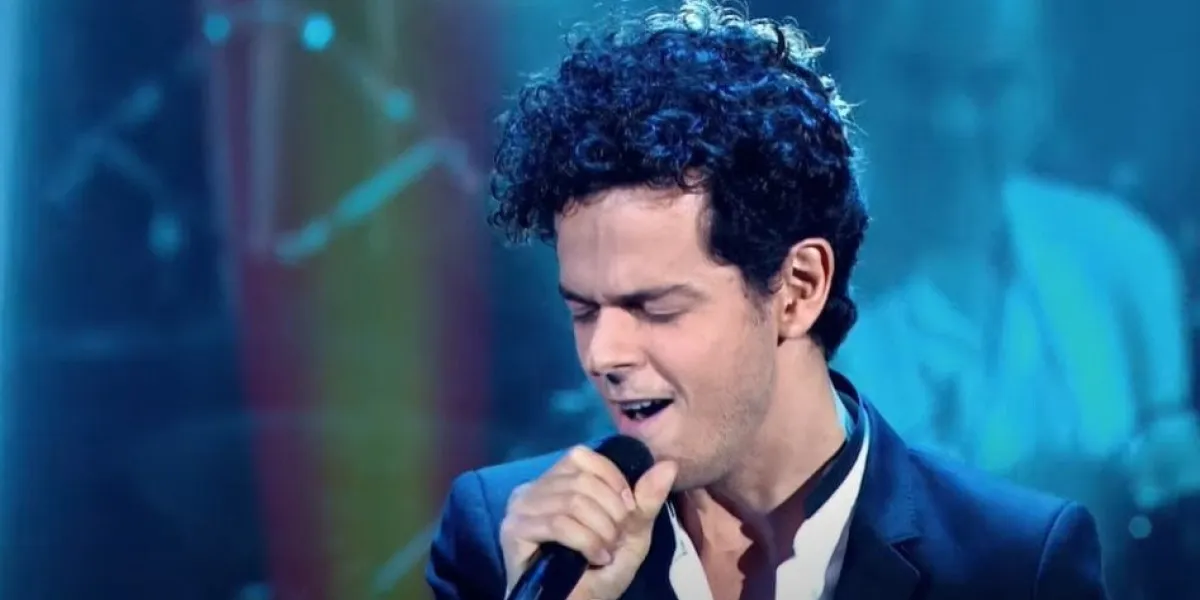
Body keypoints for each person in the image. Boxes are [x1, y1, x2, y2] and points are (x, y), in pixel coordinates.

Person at [427, 2, 1108, 599]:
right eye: (584, 310)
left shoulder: (1014, 563)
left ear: (799, 290)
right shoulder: (506, 538)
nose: (602, 355)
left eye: (657, 308)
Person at [829, 0, 1198, 588]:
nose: (951, 121)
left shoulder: (1120, 258)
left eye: (990, 84)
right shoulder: (777, 281)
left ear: (1047, 85)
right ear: (854, 71)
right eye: (915, 77)